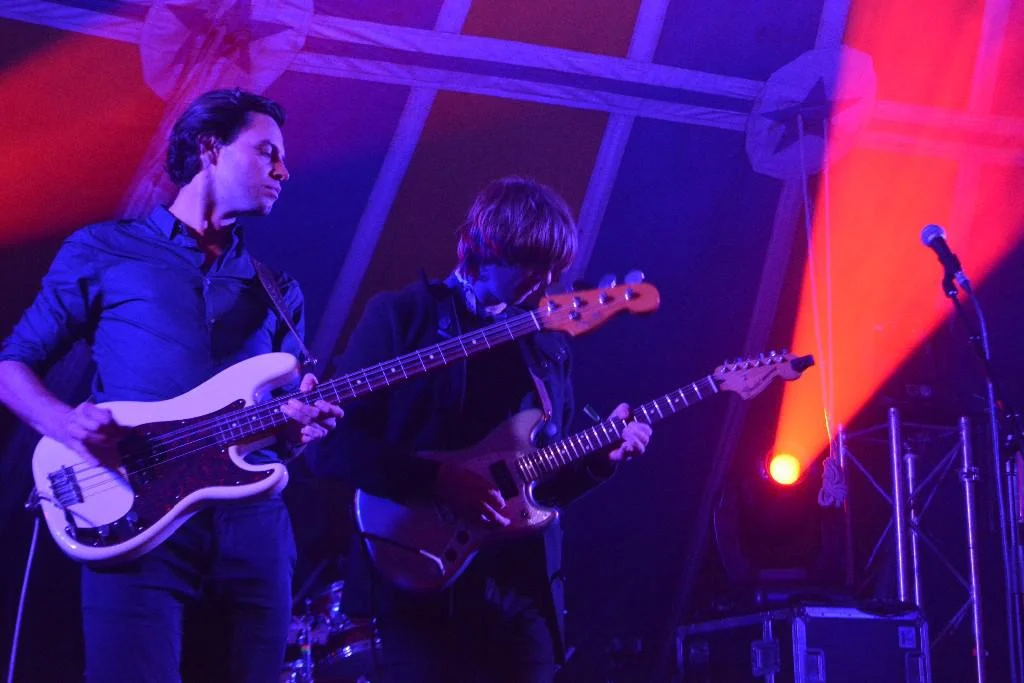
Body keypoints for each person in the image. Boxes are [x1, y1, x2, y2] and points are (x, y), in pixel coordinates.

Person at [0, 88, 343, 682]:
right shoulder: (105, 250)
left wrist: (298, 429)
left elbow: (282, 424)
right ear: (210, 148)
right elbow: (12, 366)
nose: (284, 172)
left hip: (251, 532)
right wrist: (65, 423)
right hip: (133, 516)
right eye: (267, 152)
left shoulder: (279, 289)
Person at [311, 176, 652, 682]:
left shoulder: (546, 344)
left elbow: (541, 485)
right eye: (532, 263)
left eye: (553, 268)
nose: (543, 281)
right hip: (422, 580)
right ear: (487, 247)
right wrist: (437, 481)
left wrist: (601, 458)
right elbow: (330, 445)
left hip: (521, 589)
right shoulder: (403, 317)